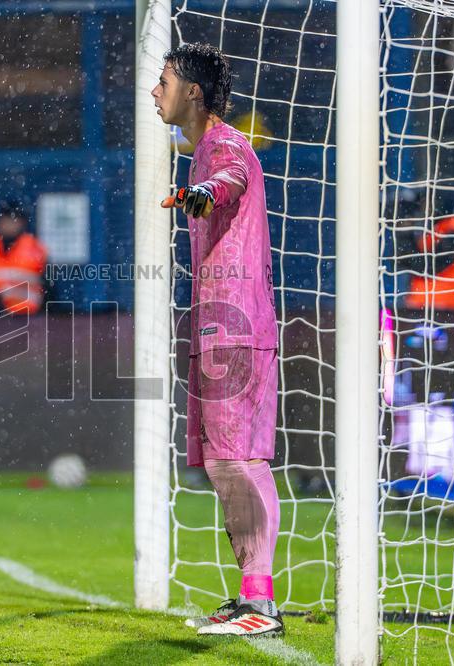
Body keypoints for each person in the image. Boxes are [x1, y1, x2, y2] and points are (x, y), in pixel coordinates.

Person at [152, 43, 282, 637]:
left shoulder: (223, 145)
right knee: (222, 465)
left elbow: (229, 179)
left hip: (237, 327)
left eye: (164, 82)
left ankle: (262, 603)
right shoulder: (200, 149)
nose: (155, 93)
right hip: (214, 327)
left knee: (240, 461)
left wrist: (203, 194)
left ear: (193, 94)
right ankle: (251, 595)